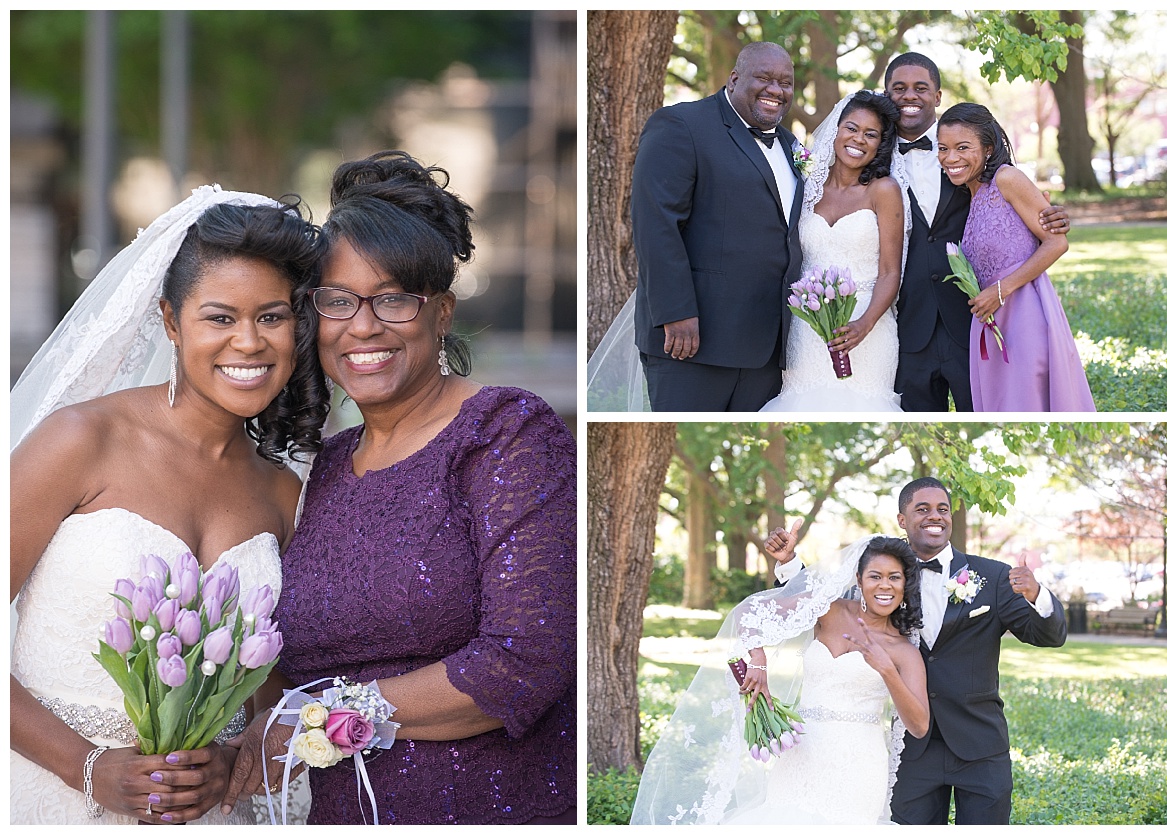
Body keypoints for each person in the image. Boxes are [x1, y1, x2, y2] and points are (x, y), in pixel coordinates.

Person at [223, 151, 577, 824]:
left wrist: (318, 722)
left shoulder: (505, 433)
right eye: (338, 300)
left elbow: (525, 662)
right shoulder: (320, 470)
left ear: (440, 313)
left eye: (393, 298)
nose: (363, 325)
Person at [9, 186, 328, 824]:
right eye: (219, 317)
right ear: (170, 320)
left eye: (271, 316)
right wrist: (89, 768)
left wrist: (232, 762)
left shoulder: (283, 494)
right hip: (50, 796)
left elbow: (269, 688)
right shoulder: (83, 441)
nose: (249, 342)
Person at [630, 535, 928, 825]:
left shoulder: (903, 651)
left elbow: (919, 725)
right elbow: (749, 612)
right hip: (802, 753)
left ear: (905, 585)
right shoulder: (828, 610)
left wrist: (887, 670)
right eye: (875, 576)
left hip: (858, 765)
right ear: (859, 579)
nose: (885, 585)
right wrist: (758, 663)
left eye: (895, 578)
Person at [884, 52, 1071, 412]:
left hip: (973, 319)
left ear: (937, 96)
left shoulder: (977, 157)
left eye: (921, 87)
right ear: (886, 94)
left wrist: (1055, 217)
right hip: (911, 324)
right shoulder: (873, 153)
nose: (910, 95)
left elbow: (1043, 229)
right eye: (899, 88)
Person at [630, 41, 805, 411]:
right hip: (693, 342)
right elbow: (656, 225)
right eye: (764, 78)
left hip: (767, 351)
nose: (776, 90)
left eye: (786, 82)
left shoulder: (791, 144)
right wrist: (675, 312)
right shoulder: (681, 125)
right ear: (734, 78)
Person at [888, 477, 1067, 825]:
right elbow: (831, 605)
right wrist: (789, 567)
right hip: (913, 746)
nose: (934, 516)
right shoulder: (886, 576)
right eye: (921, 509)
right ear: (902, 520)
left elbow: (1047, 635)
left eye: (942, 509)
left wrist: (1036, 595)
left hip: (980, 746)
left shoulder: (993, 577)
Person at [937, 103, 1096, 411]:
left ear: (988, 148)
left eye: (962, 147)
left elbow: (1056, 243)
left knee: (1027, 400)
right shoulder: (969, 194)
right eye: (943, 148)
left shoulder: (1008, 179)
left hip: (1024, 312)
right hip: (991, 319)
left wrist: (1001, 290)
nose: (950, 157)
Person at [760, 90, 909, 412]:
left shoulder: (884, 191)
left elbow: (890, 271)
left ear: (881, 143)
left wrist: (864, 324)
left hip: (867, 326)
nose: (859, 139)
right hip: (806, 328)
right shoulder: (806, 183)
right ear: (837, 130)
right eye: (852, 128)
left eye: (871, 134)